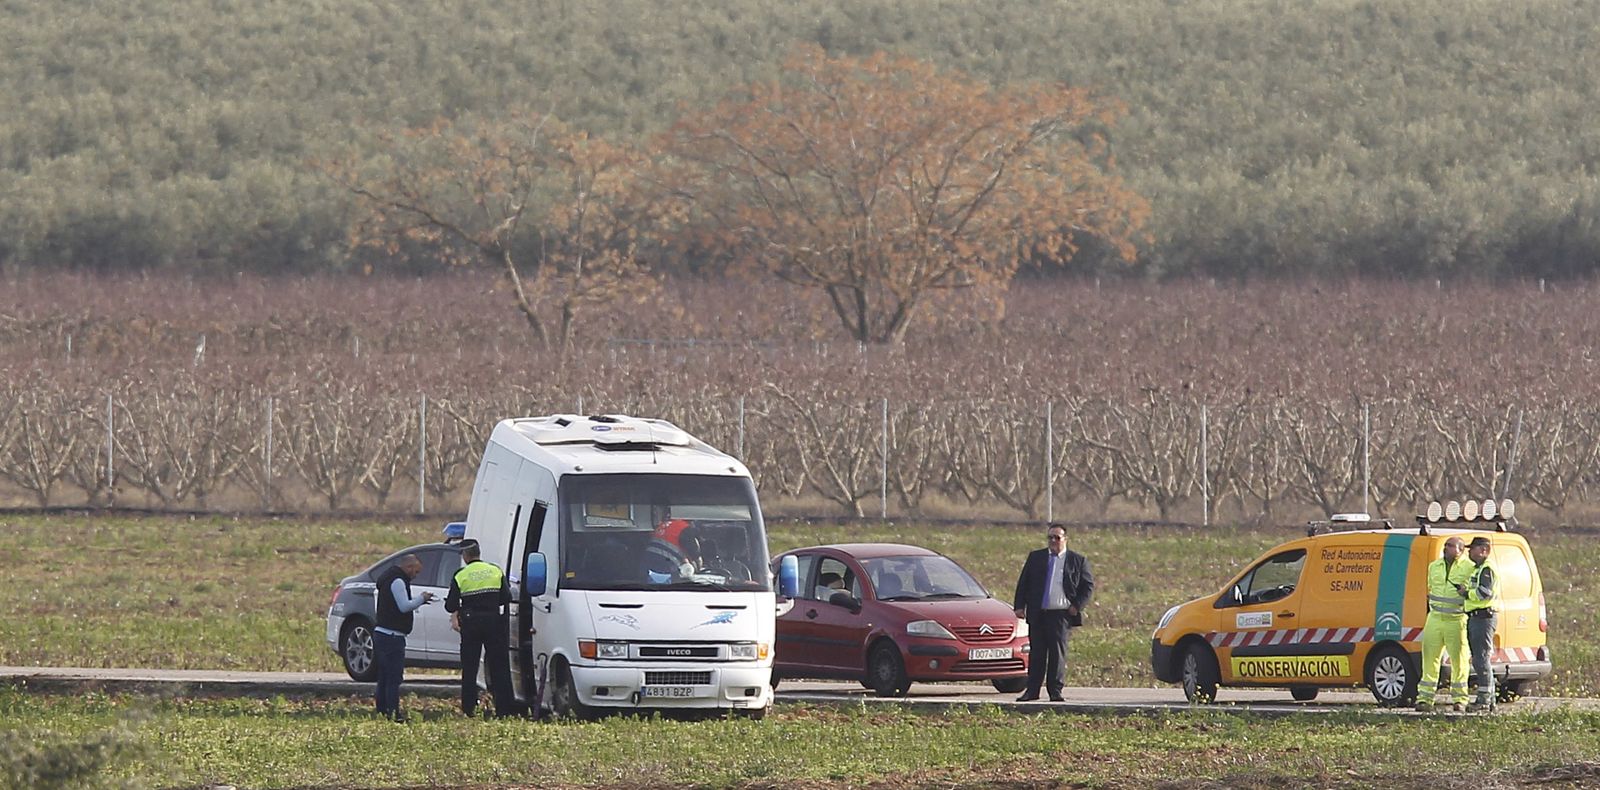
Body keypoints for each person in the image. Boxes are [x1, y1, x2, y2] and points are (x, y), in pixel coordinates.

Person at [1012, 523, 1094, 702]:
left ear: (1065, 539)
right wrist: (1019, 606)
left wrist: (1076, 606)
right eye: (1050, 537)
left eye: (1057, 537)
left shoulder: (1077, 560)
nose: (1053, 541)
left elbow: (1087, 587)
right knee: (1037, 654)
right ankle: (1031, 691)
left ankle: (1055, 691)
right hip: (1038, 613)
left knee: (1057, 655)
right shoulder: (1036, 558)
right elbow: (1024, 583)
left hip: (1061, 615)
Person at [444, 540, 516, 718]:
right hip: (494, 622)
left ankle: (469, 709)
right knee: (499, 667)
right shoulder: (495, 570)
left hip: (471, 625)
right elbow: (506, 597)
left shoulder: (461, 575)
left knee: (470, 669)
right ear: (478, 553)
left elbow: (450, 605)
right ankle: (504, 709)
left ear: (466, 556)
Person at [373, 553, 435, 721]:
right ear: (408, 567)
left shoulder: (387, 579)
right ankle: (393, 713)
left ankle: (382, 711)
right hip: (392, 636)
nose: (415, 576)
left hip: (382, 634)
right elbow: (404, 606)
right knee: (393, 678)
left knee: (384, 677)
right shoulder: (398, 581)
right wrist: (421, 599)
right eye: (415, 572)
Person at [1415, 536, 1473, 712]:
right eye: (1446, 545)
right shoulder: (1434, 566)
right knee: (1429, 658)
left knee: (1459, 661)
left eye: (1450, 546)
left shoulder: (1469, 568)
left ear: (1461, 550)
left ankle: (1460, 699)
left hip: (1456, 619)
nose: (1446, 548)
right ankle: (1425, 698)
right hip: (1434, 618)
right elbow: (1430, 589)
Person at [1462, 536, 1500, 712]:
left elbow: (1485, 593)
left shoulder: (1487, 569)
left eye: (1473, 548)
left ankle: (1484, 699)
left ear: (1483, 550)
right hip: (1476, 617)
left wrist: (1466, 593)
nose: (1470, 552)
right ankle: (1488, 698)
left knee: (1481, 658)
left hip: (1483, 617)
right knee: (1479, 658)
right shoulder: (1477, 569)